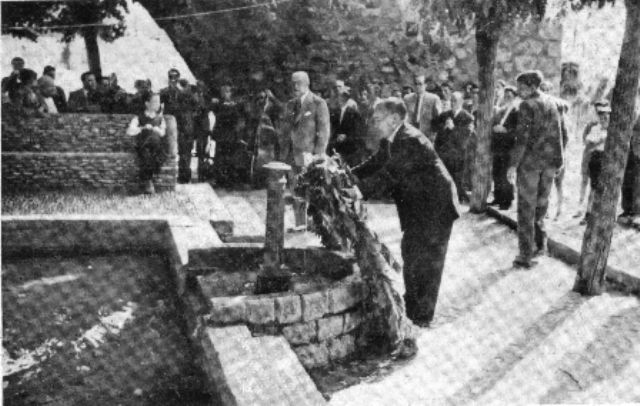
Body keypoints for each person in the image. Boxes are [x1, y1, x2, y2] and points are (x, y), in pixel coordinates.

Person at [351, 97, 461, 327]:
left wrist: (357, 192)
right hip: (418, 207)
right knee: (411, 254)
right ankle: (412, 306)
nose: (373, 123)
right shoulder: (392, 138)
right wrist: (346, 176)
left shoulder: (410, 140)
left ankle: (421, 317)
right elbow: (374, 163)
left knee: (428, 262)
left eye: (377, 118)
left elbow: (390, 174)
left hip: (436, 208)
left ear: (393, 120)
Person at [507, 70, 566, 268]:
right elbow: (559, 133)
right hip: (549, 164)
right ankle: (540, 246)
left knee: (526, 209)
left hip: (530, 165)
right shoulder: (553, 103)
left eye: (521, 87)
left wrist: (513, 165)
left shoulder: (527, 105)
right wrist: (559, 161)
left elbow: (522, 139)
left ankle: (526, 254)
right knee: (542, 206)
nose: (518, 91)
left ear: (532, 87)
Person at [279, 71, 330, 231]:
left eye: (299, 83)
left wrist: (318, 154)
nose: (295, 86)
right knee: (295, 189)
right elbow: (285, 130)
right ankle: (300, 224)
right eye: (293, 83)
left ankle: (315, 224)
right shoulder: (290, 104)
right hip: (292, 155)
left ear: (307, 84)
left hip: (309, 156)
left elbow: (324, 130)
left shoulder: (318, 103)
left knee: (311, 191)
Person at [434, 91, 474, 203]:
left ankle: (457, 198)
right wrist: (444, 127)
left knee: (457, 175)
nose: (452, 103)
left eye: (455, 100)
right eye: (451, 100)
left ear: (461, 102)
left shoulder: (467, 117)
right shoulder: (444, 115)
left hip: (458, 151)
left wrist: (453, 128)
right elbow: (437, 131)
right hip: (444, 151)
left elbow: (466, 135)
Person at [126, 92, 167, 194]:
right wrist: (142, 128)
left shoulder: (160, 118)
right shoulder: (139, 118)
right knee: (145, 155)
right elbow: (130, 131)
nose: (158, 104)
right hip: (143, 145)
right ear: (147, 104)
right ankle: (148, 182)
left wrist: (157, 130)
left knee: (159, 155)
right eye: (155, 102)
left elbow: (162, 133)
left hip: (156, 146)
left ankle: (147, 180)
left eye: (159, 101)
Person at [578, 103, 611, 225]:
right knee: (593, 187)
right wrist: (599, 140)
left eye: (606, 118)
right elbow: (588, 142)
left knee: (605, 188)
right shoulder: (595, 128)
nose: (604, 120)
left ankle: (601, 214)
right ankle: (588, 213)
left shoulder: (612, 131)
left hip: (607, 159)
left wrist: (598, 140)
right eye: (602, 117)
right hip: (597, 158)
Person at [160, 68, 195, 183]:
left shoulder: (186, 90)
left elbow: (191, 100)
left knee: (185, 151)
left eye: (176, 77)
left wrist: (179, 89)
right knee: (170, 149)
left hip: (184, 124)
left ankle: (184, 177)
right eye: (171, 77)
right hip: (172, 124)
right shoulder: (165, 91)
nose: (173, 80)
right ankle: (170, 175)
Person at [210, 83, 247, 186]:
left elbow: (237, 117)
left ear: (230, 93)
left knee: (230, 158)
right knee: (219, 158)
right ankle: (219, 179)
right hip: (221, 135)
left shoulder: (234, 105)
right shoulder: (218, 104)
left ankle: (229, 180)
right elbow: (217, 113)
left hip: (231, 135)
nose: (226, 94)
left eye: (227, 91)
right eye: (223, 92)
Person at [490, 85, 519, 210]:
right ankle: (498, 197)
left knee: (506, 173)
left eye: (510, 95)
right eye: (505, 95)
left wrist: (505, 130)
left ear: (514, 96)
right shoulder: (502, 109)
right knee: (497, 171)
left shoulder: (516, 110)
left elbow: (518, 129)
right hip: (498, 144)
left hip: (508, 145)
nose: (507, 97)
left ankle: (507, 200)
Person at [619, 90, 640, 228]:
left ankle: (637, 214)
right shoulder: (634, 110)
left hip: (637, 152)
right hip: (630, 152)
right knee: (627, 182)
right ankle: (627, 211)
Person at [403, 75, 442, 142]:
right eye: (416, 84)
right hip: (410, 133)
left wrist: (433, 133)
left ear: (425, 85)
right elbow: (404, 115)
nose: (417, 86)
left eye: (420, 84)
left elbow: (438, 118)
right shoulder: (407, 98)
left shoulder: (433, 99)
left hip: (426, 135)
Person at [329, 89, 362, 166]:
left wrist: (346, 137)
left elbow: (357, 132)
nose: (340, 99)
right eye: (339, 96)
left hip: (348, 149)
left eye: (342, 96)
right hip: (334, 146)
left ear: (346, 98)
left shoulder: (354, 113)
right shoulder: (333, 112)